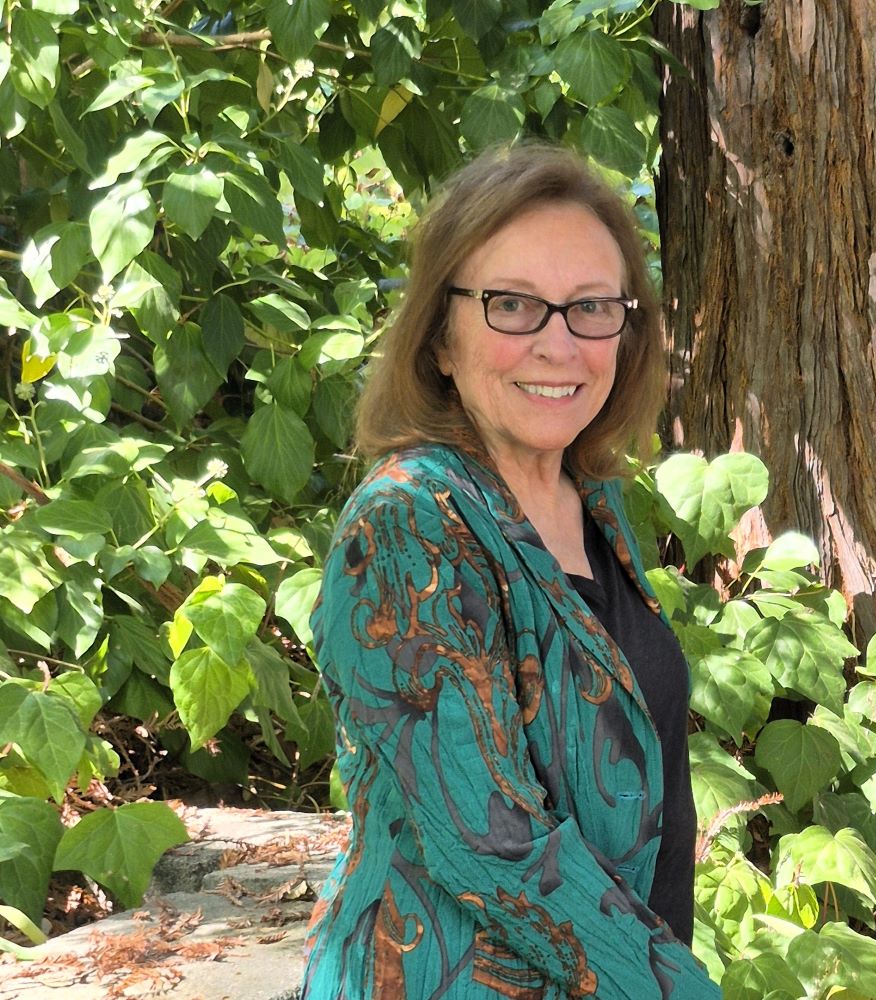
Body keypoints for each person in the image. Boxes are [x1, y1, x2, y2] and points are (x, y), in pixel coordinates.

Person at [302, 143, 720, 999]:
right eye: (513, 305)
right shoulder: (407, 526)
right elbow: (491, 846)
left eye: (592, 307)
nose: (559, 344)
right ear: (441, 340)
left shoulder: (589, 495)